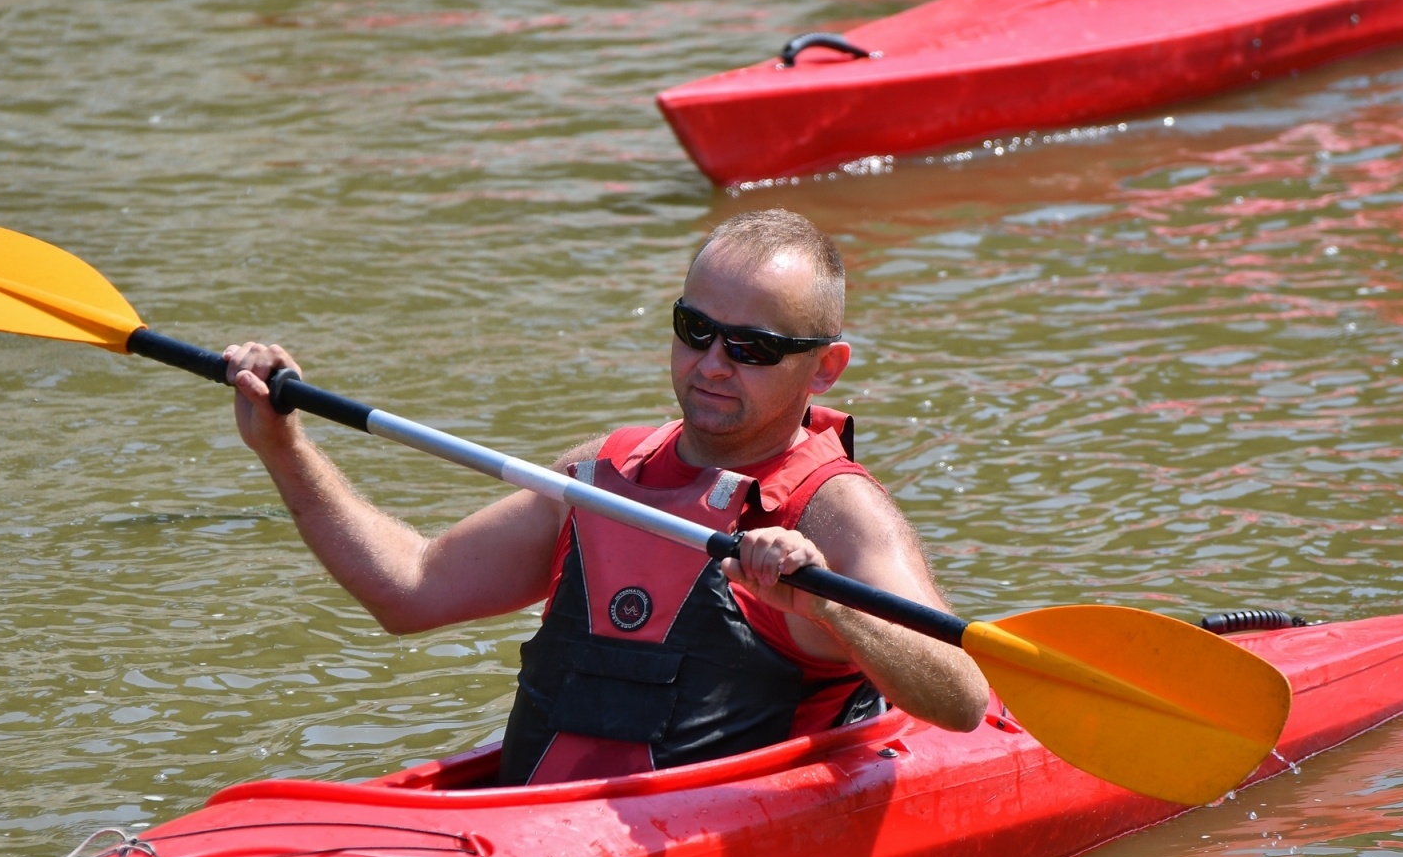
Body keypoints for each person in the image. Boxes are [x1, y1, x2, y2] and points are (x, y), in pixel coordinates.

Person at [225, 209, 988, 785]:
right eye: (695, 329)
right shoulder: (602, 475)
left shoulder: (833, 512)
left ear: (824, 369)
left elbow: (959, 701)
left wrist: (832, 607)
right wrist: (284, 448)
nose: (713, 364)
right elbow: (411, 590)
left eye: (751, 348)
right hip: (526, 827)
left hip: (714, 834)